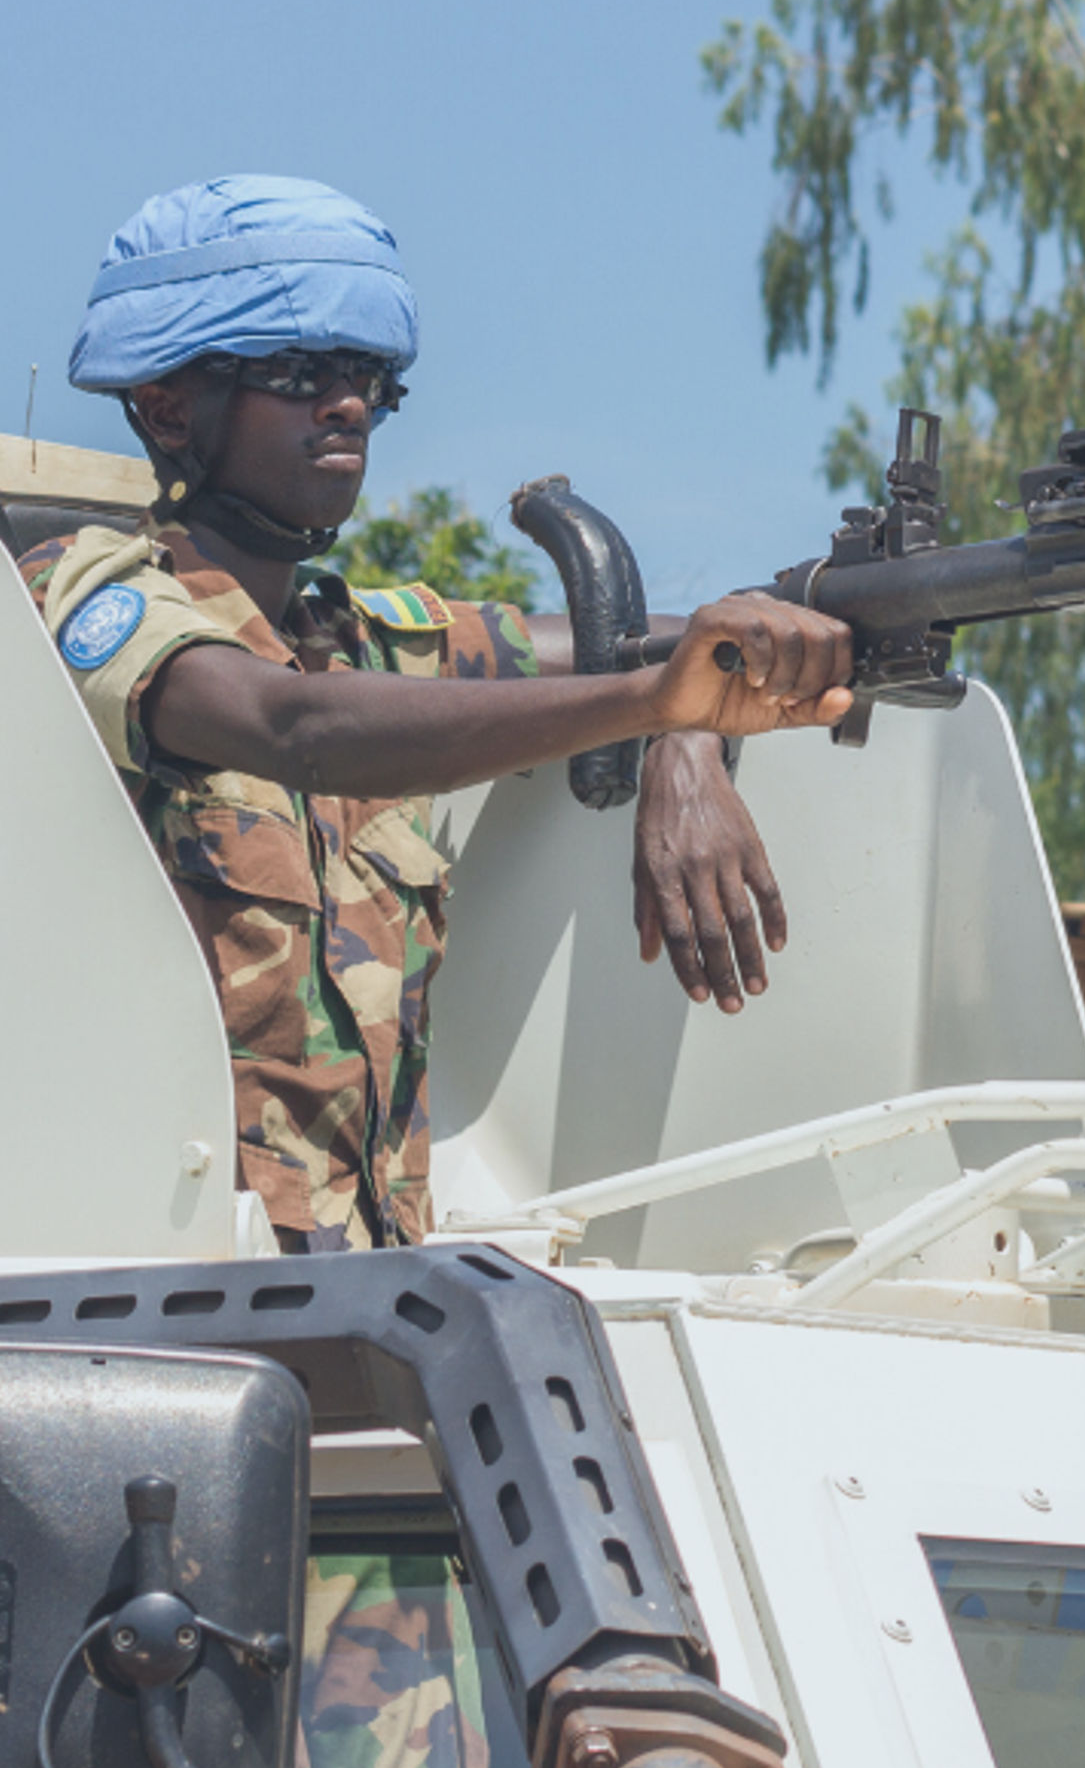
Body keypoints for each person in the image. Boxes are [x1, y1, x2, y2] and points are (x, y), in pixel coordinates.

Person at [19, 174, 856, 1252]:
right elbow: (287, 726)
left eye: (366, 375)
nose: (350, 402)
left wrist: (685, 731)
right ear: (169, 408)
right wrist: (654, 698)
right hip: (160, 1300)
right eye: (298, 372)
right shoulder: (79, 592)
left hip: (370, 1293)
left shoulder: (369, 639)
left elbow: (675, 645)